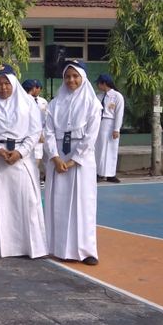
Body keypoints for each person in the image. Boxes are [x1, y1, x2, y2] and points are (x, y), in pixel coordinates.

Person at [0, 65, 47, 259]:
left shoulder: (28, 105)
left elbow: (35, 132)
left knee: (25, 203)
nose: (3, 87)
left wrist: (21, 152)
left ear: (14, 83)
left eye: (7, 83)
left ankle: (27, 246)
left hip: (20, 160)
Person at [44, 60, 102, 265]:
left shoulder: (93, 104)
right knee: (57, 203)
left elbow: (91, 136)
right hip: (58, 155)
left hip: (80, 161)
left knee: (83, 204)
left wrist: (72, 161)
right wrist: (55, 157)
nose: (71, 80)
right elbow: (48, 131)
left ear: (83, 78)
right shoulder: (55, 103)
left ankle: (86, 251)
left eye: (75, 76)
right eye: (68, 76)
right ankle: (58, 248)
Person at [95, 74, 124, 183]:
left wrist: (117, 129)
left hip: (110, 123)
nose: (98, 86)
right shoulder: (98, 96)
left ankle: (111, 174)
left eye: (99, 83)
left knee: (111, 149)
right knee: (99, 149)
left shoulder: (117, 96)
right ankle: (98, 173)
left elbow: (119, 113)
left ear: (104, 83)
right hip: (100, 123)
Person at [22, 79, 48, 170]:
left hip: (42, 132)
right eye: (36, 87)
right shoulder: (24, 101)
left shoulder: (43, 101)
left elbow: (46, 118)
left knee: (39, 156)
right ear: (33, 89)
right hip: (29, 133)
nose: (38, 89)